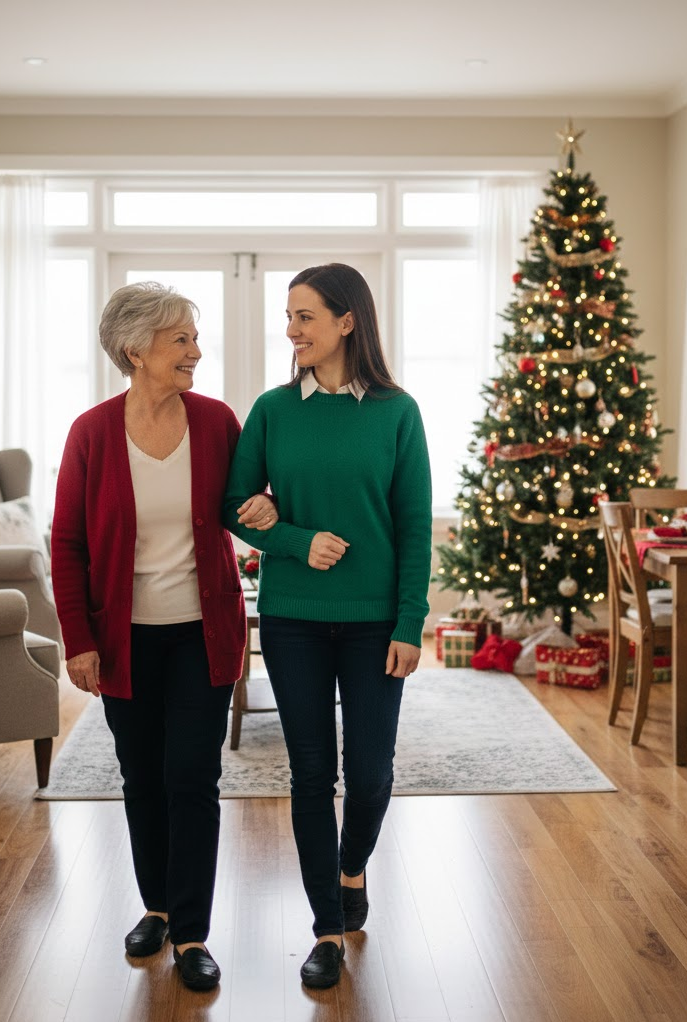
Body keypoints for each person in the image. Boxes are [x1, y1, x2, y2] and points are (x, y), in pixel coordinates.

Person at [51, 282, 277, 991]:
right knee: (141, 777)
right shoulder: (91, 432)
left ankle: (192, 933)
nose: (195, 352)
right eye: (181, 339)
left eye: (192, 338)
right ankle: (155, 908)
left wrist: (268, 508)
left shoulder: (216, 422)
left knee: (193, 778)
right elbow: (66, 545)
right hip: (122, 641)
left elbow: (243, 505)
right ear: (135, 349)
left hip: (200, 633)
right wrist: (78, 641)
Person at [223, 263, 432, 988]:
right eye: (289, 317)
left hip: (377, 623)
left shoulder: (398, 412)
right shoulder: (273, 409)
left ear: (348, 321)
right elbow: (233, 504)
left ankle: (350, 871)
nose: (292, 330)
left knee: (371, 774)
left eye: (305, 316)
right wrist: (291, 538)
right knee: (313, 773)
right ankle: (326, 929)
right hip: (293, 620)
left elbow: (413, 527)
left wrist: (411, 623)